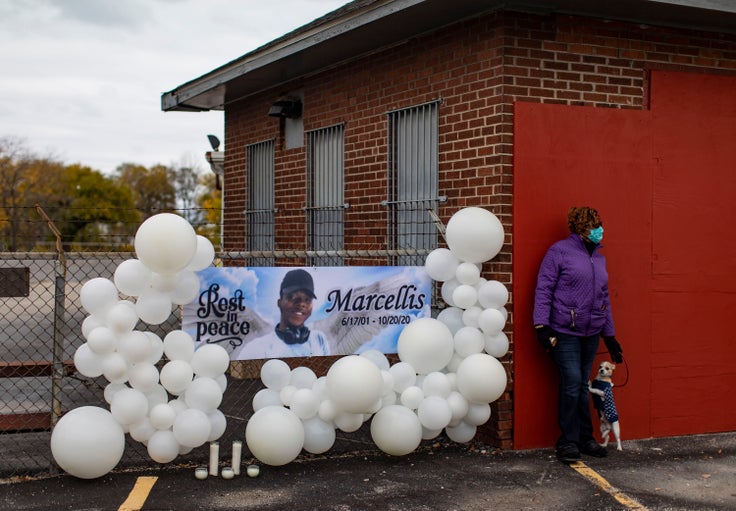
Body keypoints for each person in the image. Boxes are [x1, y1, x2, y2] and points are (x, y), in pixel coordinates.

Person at [533, 206, 623, 463]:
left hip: (592, 331)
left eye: (599, 224)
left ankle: (585, 438)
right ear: (581, 229)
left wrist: (610, 335)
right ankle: (568, 441)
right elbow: (544, 289)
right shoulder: (559, 252)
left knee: (583, 386)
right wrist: (541, 325)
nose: (599, 230)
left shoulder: (600, 257)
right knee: (573, 383)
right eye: (593, 226)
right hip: (565, 331)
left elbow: (604, 297)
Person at [233, 269, 329, 359]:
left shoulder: (319, 339)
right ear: (280, 302)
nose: (302, 304)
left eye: (307, 300)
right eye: (292, 297)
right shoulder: (256, 348)